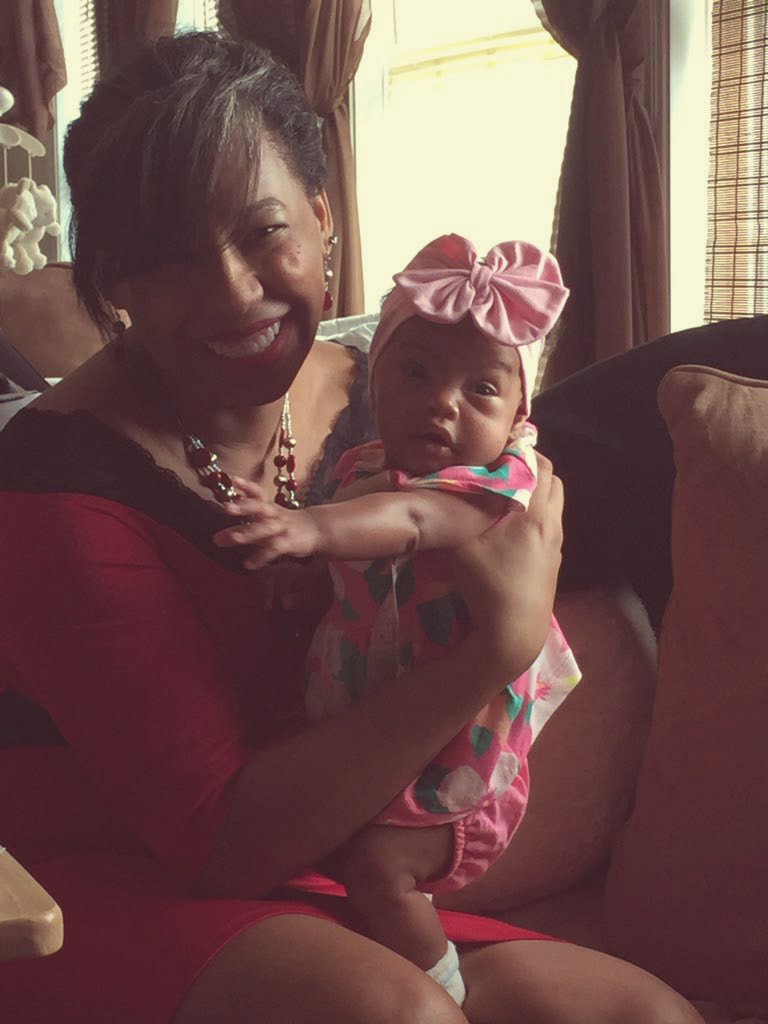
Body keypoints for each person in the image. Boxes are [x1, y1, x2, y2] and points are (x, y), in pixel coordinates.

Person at [0, 30, 704, 1024]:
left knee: (644, 1015)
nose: (235, 291)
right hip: (98, 880)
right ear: (114, 282)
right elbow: (219, 839)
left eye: (263, 232)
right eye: (169, 259)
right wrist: (499, 644)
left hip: (330, 856)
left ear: (323, 215)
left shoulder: (389, 385)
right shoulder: (55, 487)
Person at [212, 233, 582, 1005]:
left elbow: (411, 523)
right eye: (416, 373)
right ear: (374, 376)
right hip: (382, 737)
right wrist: (308, 583)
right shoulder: (365, 468)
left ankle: (450, 995)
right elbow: (366, 568)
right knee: (330, 846)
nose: (443, 402)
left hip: (458, 764)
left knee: (380, 871)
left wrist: (308, 528)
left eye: (482, 389)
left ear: (518, 414)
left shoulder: (495, 485)